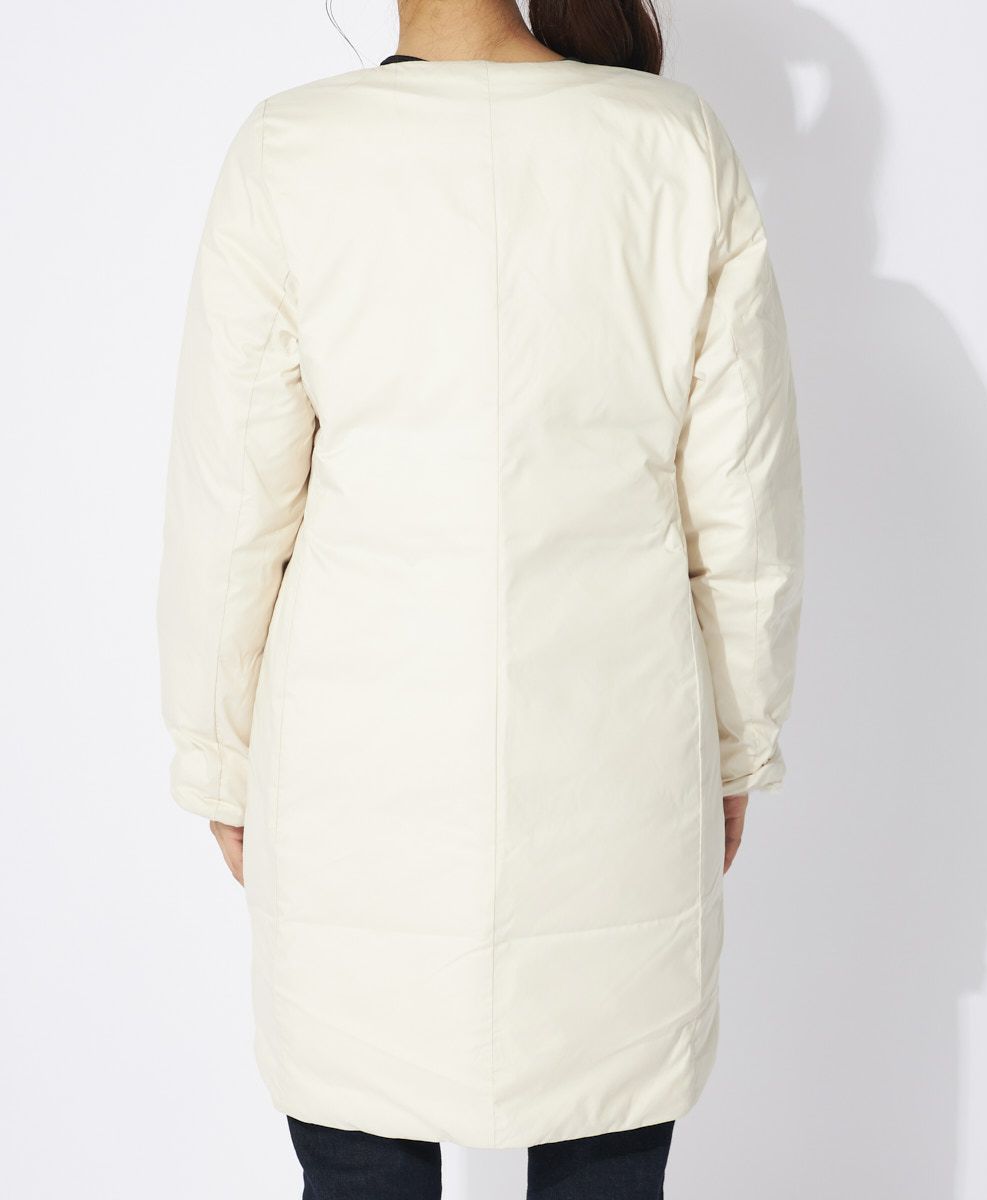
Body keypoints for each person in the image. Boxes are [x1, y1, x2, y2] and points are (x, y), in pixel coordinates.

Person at [156, 0, 805, 1194]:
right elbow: (741, 511)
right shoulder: (671, 144)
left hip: (355, 781)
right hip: (614, 761)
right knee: (609, 1146)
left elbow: (231, 511)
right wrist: (733, 746)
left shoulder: (294, 150)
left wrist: (219, 756)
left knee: (359, 1161)